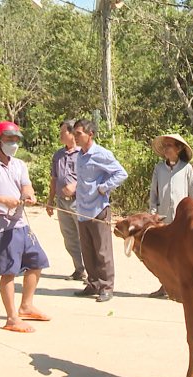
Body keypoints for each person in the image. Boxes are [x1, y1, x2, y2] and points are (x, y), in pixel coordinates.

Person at [0, 121, 51, 333]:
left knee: (37, 261)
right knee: (9, 271)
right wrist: (3, 200)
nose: (13, 144)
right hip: (1, 225)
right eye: (9, 139)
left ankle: (26, 305)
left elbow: (26, 185)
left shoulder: (19, 164)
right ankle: (12, 318)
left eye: (16, 140)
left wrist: (28, 195)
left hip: (21, 222)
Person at [72, 119, 128, 303]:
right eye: (75, 133)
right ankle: (93, 284)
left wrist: (104, 187)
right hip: (82, 209)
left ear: (91, 134)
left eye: (79, 133)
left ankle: (106, 287)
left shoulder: (102, 154)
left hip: (98, 209)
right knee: (87, 250)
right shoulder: (79, 155)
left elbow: (121, 173)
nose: (75, 137)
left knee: (102, 251)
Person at [147, 133, 193, 298]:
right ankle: (165, 286)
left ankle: (182, 287)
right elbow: (153, 194)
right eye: (165, 145)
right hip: (163, 218)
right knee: (164, 254)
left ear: (179, 148)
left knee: (182, 254)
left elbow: (192, 194)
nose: (167, 148)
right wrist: (153, 213)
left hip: (181, 218)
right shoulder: (159, 169)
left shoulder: (186, 169)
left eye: (170, 145)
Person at [46, 119, 86, 282]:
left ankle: (91, 273)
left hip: (79, 202)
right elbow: (54, 179)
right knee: (69, 237)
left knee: (84, 237)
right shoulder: (58, 155)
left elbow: (89, 177)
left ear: (71, 134)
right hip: (62, 202)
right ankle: (79, 269)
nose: (61, 135)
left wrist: (75, 186)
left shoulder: (83, 154)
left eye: (63, 132)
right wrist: (50, 200)